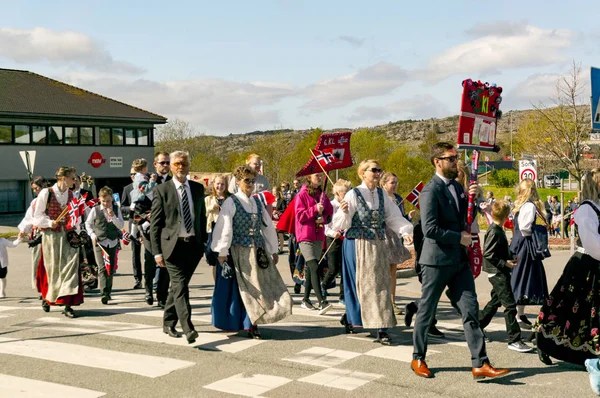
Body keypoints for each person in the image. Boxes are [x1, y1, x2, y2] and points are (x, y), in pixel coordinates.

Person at [411, 142, 508, 379]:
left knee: (470, 310)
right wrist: (459, 238)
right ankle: (418, 357)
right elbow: (430, 229)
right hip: (435, 261)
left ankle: (480, 363)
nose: (456, 162)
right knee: (426, 309)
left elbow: (465, 219)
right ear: (438, 161)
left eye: (456, 158)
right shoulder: (430, 191)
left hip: (458, 260)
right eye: (451, 159)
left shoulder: (457, 187)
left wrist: (471, 201)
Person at [332, 159, 413, 345]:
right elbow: (340, 224)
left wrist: (405, 232)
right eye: (374, 170)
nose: (377, 173)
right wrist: (343, 212)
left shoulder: (382, 195)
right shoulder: (353, 194)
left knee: (380, 284)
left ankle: (381, 326)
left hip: (377, 243)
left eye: (379, 170)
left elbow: (393, 217)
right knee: (361, 285)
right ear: (363, 173)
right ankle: (354, 317)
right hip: (357, 244)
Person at [211, 164, 292, 338]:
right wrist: (222, 252)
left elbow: (267, 226)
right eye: (247, 181)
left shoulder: (257, 202)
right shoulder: (231, 202)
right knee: (248, 289)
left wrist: (273, 249)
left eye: (253, 181)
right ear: (238, 181)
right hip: (239, 251)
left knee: (261, 287)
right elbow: (224, 229)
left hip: (258, 251)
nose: (251, 184)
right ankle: (249, 324)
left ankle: (253, 322)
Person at [536, 168, 600, 365]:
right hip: (586, 264)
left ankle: (590, 351)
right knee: (567, 307)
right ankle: (545, 341)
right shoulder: (587, 208)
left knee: (589, 312)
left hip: (595, 263)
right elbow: (592, 243)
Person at [150, 151, 207, 344]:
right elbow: (155, 225)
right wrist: (157, 252)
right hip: (171, 248)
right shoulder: (162, 190)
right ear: (171, 167)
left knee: (177, 288)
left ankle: (167, 321)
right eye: (176, 164)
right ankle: (188, 327)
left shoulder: (198, 189)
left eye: (184, 164)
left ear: (189, 165)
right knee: (181, 287)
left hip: (193, 247)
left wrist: (204, 243)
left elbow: (201, 218)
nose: (180, 167)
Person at [479, 200, 533, 353]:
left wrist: (512, 256)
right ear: (506, 216)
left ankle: (477, 325)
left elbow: (498, 251)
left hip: (498, 271)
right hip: (498, 272)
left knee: (495, 302)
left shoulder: (497, 229)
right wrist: (505, 263)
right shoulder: (495, 231)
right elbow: (489, 254)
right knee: (510, 305)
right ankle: (514, 339)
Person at [33, 166, 83, 318]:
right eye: (72, 178)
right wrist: (50, 223)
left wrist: (77, 231)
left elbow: (77, 217)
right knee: (53, 268)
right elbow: (37, 217)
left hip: (68, 235)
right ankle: (48, 296)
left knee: (70, 266)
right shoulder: (46, 193)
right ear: (63, 178)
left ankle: (67, 304)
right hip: (51, 236)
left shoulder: (72, 195)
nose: (74, 180)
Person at [509, 178, 549, 330]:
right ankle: (517, 314)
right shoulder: (530, 206)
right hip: (526, 245)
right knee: (523, 279)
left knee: (520, 278)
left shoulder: (522, 205)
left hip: (518, 243)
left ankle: (520, 314)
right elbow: (526, 227)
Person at [295, 173, 334, 315]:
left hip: (318, 236)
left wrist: (323, 218)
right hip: (305, 236)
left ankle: (305, 299)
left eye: (320, 175)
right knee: (314, 267)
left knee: (312, 269)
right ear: (309, 178)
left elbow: (330, 213)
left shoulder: (322, 195)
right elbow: (299, 216)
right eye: (316, 175)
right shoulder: (302, 195)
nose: (320, 177)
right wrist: (314, 210)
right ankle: (322, 301)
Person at [380, 172, 413, 316]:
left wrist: (408, 218)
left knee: (393, 270)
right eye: (392, 182)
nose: (394, 185)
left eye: (396, 182)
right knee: (383, 269)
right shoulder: (380, 198)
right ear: (383, 184)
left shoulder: (399, 198)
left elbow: (399, 218)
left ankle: (392, 301)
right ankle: (383, 300)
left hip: (395, 236)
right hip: (383, 235)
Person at [85, 187, 124, 305]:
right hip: (99, 242)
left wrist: (113, 216)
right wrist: (92, 235)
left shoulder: (116, 209)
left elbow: (120, 225)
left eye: (108, 201)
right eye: (103, 201)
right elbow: (88, 223)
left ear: (111, 199)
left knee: (110, 269)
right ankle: (104, 293)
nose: (106, 203)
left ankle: (109, 290)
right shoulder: (96, 210)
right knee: (102, 268)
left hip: (112, 241)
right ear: (100, 200)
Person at [323, 179, 352, 305]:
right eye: (344, 193)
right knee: (333, 267)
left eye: (348, 193)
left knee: (345, 268)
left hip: (346, 238)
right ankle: (323, 286)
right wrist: (332, 232)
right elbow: (326, 225)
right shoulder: (331, 205)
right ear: (336, 193)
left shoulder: (349, 205)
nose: (346, 196)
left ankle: (343, 295)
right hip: (333, 238)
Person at [18, 176, 48, 291]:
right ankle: (39, 285)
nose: (35, 191)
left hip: (51, 232)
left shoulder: (51, 199)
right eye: (34, 189)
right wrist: (23, 230)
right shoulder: (35, 202)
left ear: (42, 187)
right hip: (38, 234)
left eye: (36, 188)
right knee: (37, 260)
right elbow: (28, 218)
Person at [121, 167, 143, 289]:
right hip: (133, 223)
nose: (134, 176)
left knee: (151, 252)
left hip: (146, 222)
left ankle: (153, 279)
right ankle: (138, 279)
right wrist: (130, 208)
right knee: (136, 253)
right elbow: (122, 207)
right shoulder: (127, 188)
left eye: (136, 173)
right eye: (132, 174)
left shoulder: (146, 186)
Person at [205, 175, 230, 281]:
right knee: (214, 259)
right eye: (218, 184)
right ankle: (217, 284)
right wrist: (211, 208)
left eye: (222, 184)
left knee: (227, 258)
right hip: (213, 228)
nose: (220, 186)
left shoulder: (230, 198)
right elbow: (203, 214)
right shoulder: (208, 199)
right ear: (214, 185)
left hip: (226, 229)